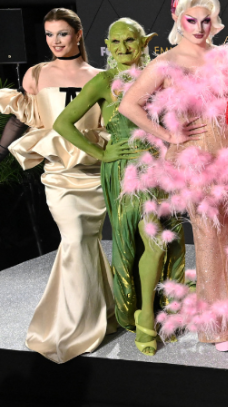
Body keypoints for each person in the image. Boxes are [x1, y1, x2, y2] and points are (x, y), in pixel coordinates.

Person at [118, 0, 228, 354]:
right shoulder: (166, 60)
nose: (199, 27)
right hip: (193, 158)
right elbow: (129, 104)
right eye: (191, 20)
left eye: (205, 19)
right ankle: (218, 326)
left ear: (215, 20)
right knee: (209, 237)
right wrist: (168, 135)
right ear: (179, 20)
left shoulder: (226, 56)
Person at [53, 18, 186, 341]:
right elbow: (63, 123)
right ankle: (142, 320)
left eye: (130, 40)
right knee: (146, 243)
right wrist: (101, 153)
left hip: (159, 170)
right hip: (125, 172)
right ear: (107, 45)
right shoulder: (103, 82)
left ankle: (153, 308)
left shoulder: (161, 78)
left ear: (144, 42)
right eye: (115, 42)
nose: (123, 48)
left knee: (162, 241)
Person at [0, 8, 116, 363]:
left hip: (95, 171)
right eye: (49, 35)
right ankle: (72, 324)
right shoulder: (36, 74)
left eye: (62, 34)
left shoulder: (101, 76)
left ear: (79, 34)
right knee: (76, 239)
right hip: (59, 176)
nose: (55, 41)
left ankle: (102, 313)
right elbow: (26, 118)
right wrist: (1, 149)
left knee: (89, 242)